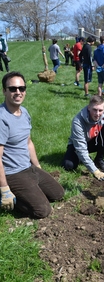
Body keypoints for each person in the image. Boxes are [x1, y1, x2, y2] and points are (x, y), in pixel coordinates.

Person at [0, 71, 64, 218]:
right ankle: (12, 197)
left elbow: (28, 142)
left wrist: (38, 168)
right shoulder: (2, 118)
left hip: (28, 167)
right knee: (42, 211)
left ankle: (29, 188)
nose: (18, 92)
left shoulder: (24, 112)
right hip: (12, 173)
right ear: (4, 91)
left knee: (58, 194)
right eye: (13, 89)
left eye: (21, 88)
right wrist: (4, 189)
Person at [62, 95, 104, 181]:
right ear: (89, 108)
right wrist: (95, 171)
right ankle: (84, 159)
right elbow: (81, 148)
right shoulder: (78, 121)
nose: (97, 114)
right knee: (69, 165)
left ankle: (99, 159)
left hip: (95, 142)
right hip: (78, 145)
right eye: (94, 110)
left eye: (100, 110)